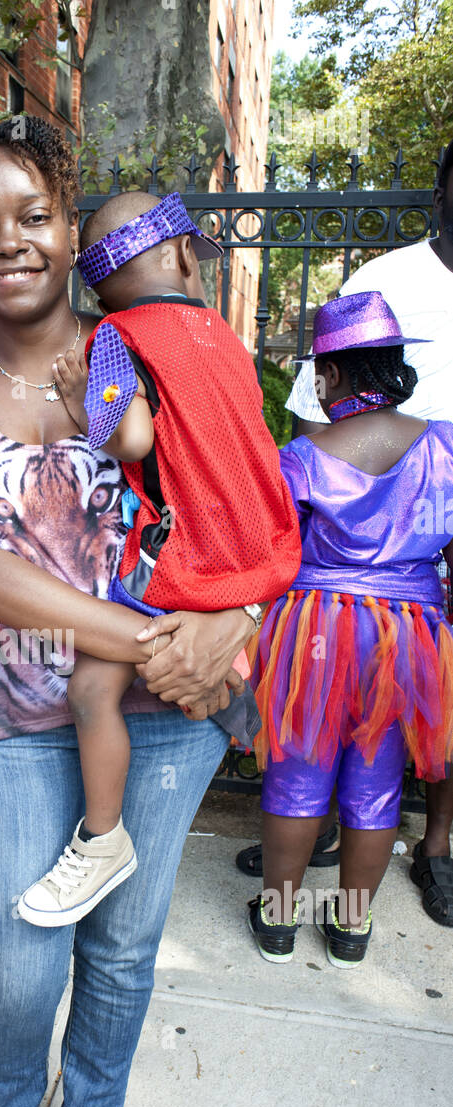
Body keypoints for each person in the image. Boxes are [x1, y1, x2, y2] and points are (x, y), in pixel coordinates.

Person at [0, 116, 265, 1107]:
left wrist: (239, 618)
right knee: (15, 955)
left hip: (166, 721)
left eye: (31, 216)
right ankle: (10, 1099)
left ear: (70, 226)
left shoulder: (146, 345)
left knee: (121, 946)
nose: (5, 243)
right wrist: (159, 634)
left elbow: (248, 493)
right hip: (17, 716)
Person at [16, 190, 301, 927]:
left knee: (89, 691)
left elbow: (132, 439)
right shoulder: (221, 335)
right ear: (180, 254)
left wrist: (86, 405)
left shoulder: (116, 335)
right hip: (250, 551)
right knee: (178, 659)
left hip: (178, 556)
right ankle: (234, 708)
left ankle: (103, 839)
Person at [240, 137, 453, 912]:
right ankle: (353, 930)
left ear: (328, 374)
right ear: (395, 365)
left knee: (298, 770)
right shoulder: (444, 448)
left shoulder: (302, 458)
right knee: (376, 778)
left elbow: (268, 549)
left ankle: (276, 919)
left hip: (316, 627)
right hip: (414, 630)